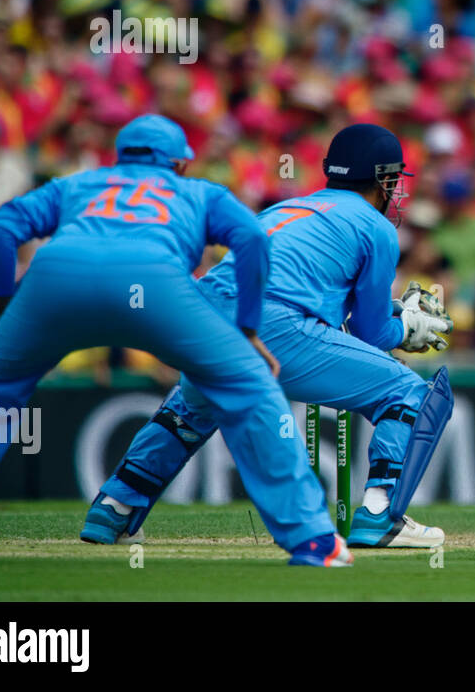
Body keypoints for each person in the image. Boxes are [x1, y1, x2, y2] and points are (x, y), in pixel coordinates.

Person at [0, 115, 348, 566]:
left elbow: (0, 228)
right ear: (181, 164)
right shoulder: (199, 191)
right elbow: (252, 239)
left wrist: (4, 307)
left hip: (56, 285)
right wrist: (247, 329)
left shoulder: (80, 183)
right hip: (155, 288)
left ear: (120, 158)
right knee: (249, 387)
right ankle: (312, 540)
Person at [80, 124, 455, 549]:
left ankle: (114, 507)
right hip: (272, 324)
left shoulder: (287, 209)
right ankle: (378, 513)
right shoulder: (376, 226)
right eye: (393, 180)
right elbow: (371, 333)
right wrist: (407, 327)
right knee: (410, 393)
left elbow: (322, 293)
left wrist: (390, 313)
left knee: (192, 409)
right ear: (383, 179)